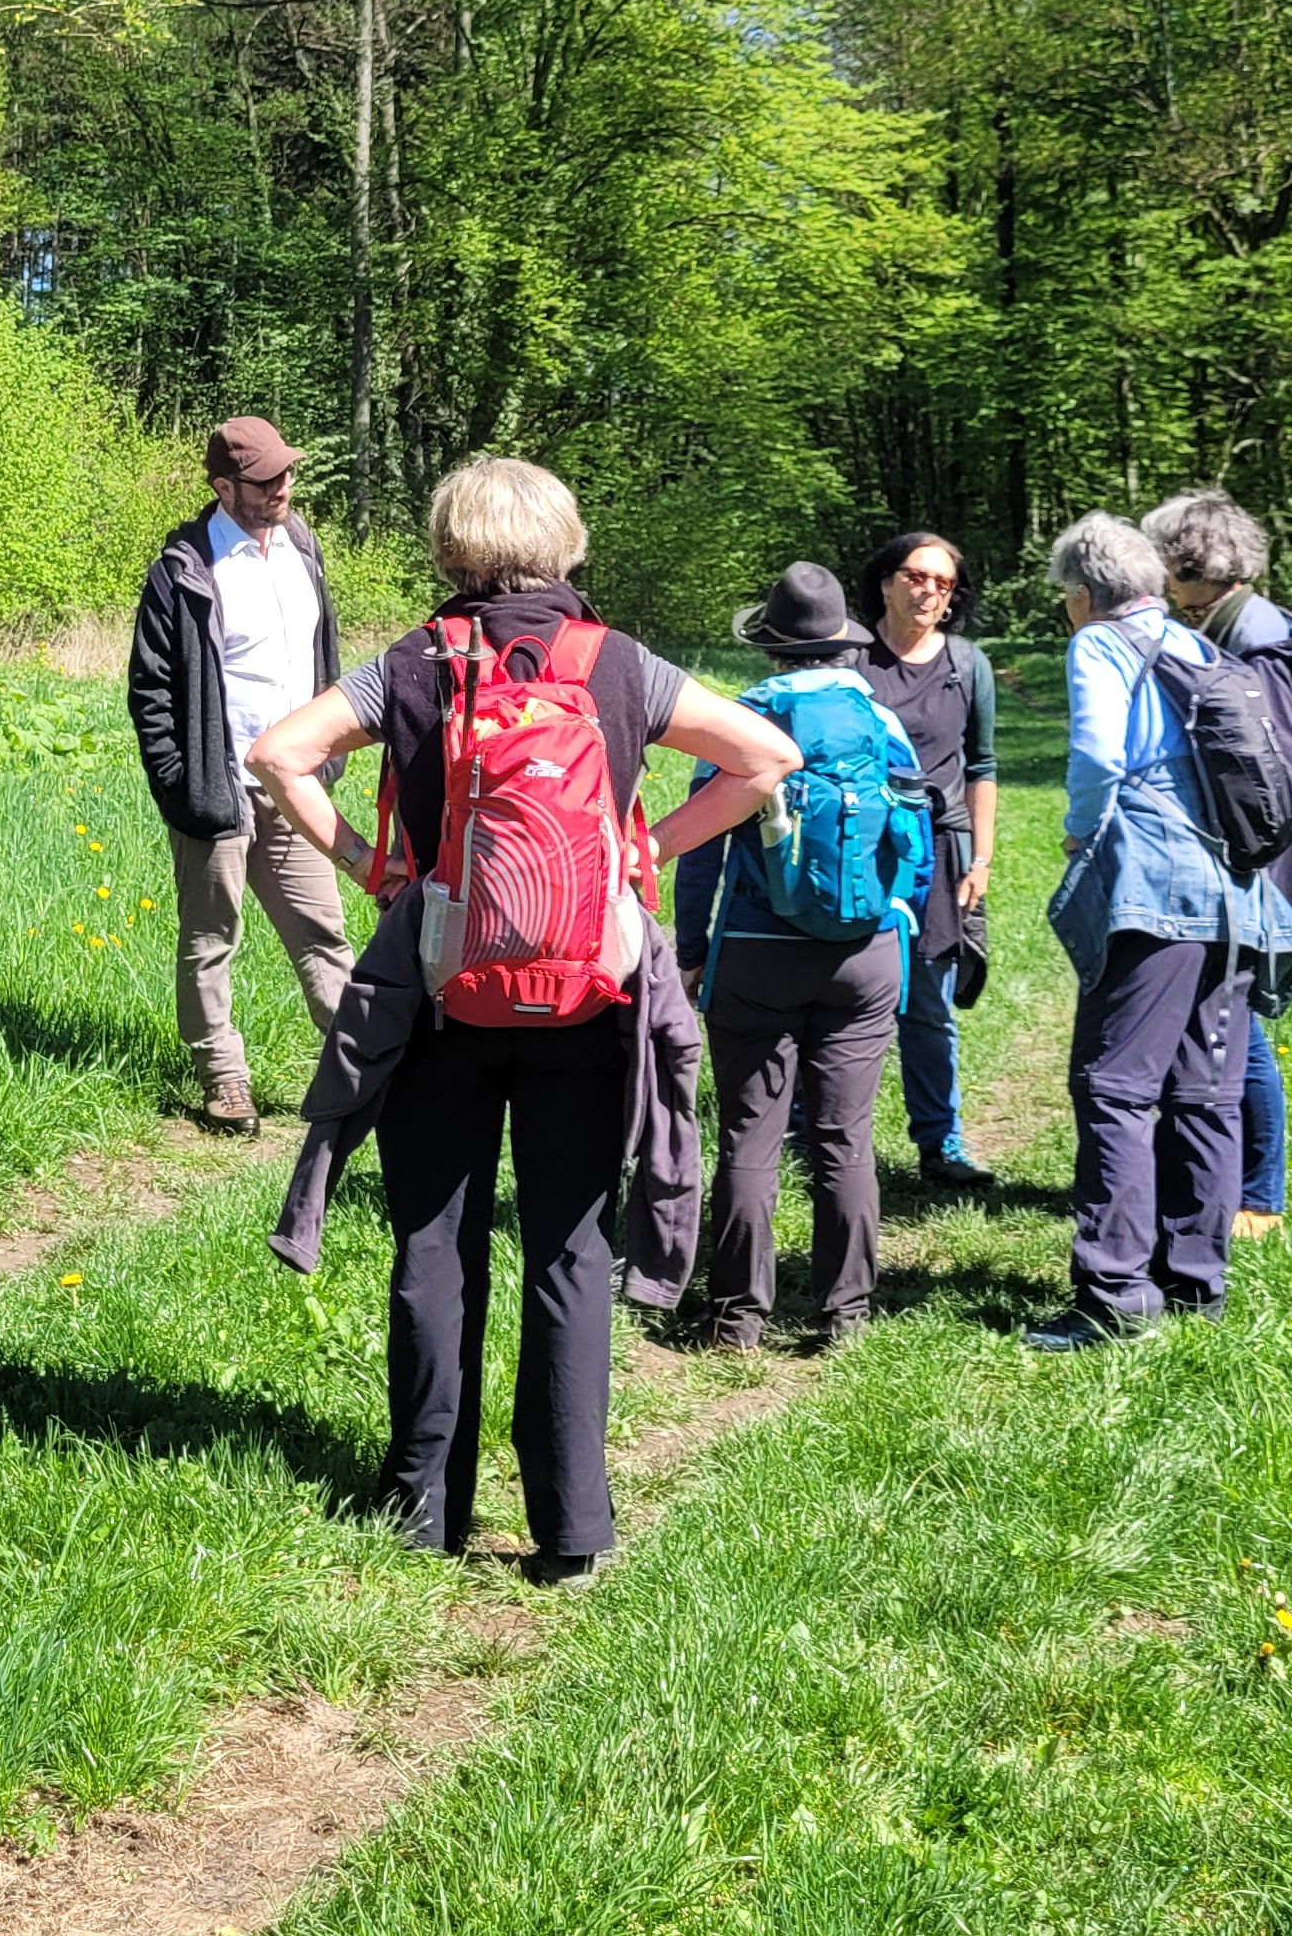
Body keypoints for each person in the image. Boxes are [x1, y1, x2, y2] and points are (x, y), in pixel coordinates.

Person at [244, 456, 796, 1582]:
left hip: (443, 994)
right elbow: (765, 758)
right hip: (589, 1001)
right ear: (568, 545)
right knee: (569, 1254)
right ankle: (573, 1529)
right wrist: (647, 856)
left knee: (433, 1245)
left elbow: (277, 754)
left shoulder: (417, 662)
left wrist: (377, 871)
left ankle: (420, 1509)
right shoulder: (619, 667)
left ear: (450, 551)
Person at [1024, 510, 1282, 1351]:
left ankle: (1113, 1295)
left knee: (1114, 1086)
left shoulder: (1100, 643)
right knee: (1203, 1091)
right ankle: (1195, 1285)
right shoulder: (1195, 644)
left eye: (1067, 595)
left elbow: (1100, 752)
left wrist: (1079, 828)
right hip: (1233, 899)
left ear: (1084, 593)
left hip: (1155, 892)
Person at [675, 563, 921, 1353]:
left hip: (756, 952)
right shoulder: (880, 722)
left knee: (750, 1134)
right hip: (865, 952)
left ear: (774, 648)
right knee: (845, 1137)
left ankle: (738, 1317)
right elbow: (918, 835)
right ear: (841, 646)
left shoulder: (738, 723)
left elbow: (701, 850)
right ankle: (843, 1315)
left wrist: (689, 951)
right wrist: (897, 910)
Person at [126, 417, 354, 1132]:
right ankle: (224, 1081)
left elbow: (324, 657)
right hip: (215, 787)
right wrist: (182, 784)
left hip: (295, 783)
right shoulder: (184, 569)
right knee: (209, 939)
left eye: (288, 474)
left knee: (324, 933)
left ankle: (365, 1071)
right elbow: (151, 691)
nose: (283, 488)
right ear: (223, 487)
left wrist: (330, 750)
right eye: (265, 481)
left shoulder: (302, 549)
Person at [1146, 488, 1292, 1243]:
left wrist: (1239, 856)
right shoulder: (1238, 627)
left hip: (1254, 859)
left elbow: (1262, 770)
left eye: (1166, 567)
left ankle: (1260, 1195)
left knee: (1237, 1024)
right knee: (1228, 1019)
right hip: (1244, 856)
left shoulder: (1254, 642)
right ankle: (1225, 1182)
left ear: (1194, 566)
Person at [851, 529, 999, 1190]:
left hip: (940, 853)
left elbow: (983, 766)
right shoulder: (850, 658)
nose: (929, 591)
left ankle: (941, 1145)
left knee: (930, 1007)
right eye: (916, 576)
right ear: (886, 581)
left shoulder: (968, 665)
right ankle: (815, 1136)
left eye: (942, 583)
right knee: (842, 995)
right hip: (858, 847)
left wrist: (982, 859)